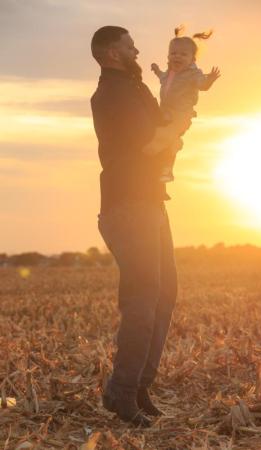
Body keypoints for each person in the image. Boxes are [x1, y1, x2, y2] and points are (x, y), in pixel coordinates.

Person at [90, 26, 179, 427]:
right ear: (112, 53)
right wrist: (170, 133)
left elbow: (164, 127)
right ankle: (121, 391)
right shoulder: (113, 94)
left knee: (164, 296)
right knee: (143, 300)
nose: (137, 48)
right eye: (129, 45)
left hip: (150, 202)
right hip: (128, 206)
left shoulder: (134, 87)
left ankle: (140, 386)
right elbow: (149, 139)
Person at [143, 26, 220, 182]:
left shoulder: (193, 74)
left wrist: (210, 80)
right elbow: (163, 78)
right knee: (168, 140)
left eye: (183, 54)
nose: (177, 57)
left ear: (192, 59)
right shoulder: (171, 73)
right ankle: (162, 168)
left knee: (166, 137)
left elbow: (202, 85)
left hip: (181, 115)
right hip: (166, 112)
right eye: (173, 53)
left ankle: (161, 165)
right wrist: (157, 70)